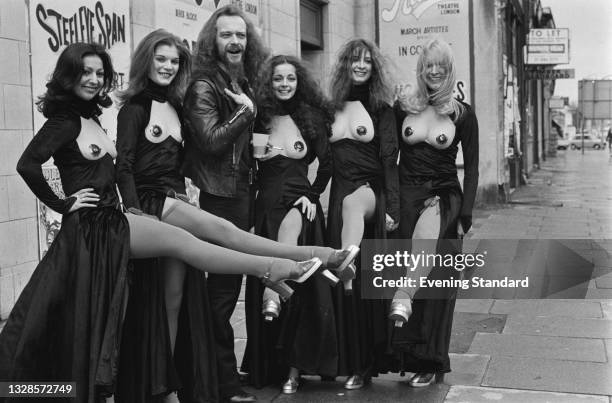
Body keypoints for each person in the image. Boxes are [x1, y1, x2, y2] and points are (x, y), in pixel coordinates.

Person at [0, 42, 323, 403]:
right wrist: (63, 203)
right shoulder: (65, 121)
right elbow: (28, 164)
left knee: (102, 319)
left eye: (98, 73)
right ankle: (273, 269)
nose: (93, 80)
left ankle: (283, 266)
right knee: (188, 245)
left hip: (110, 222)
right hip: (97, 225)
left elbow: (127, 169)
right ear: (69, 75)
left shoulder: (90, 118)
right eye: (84, 72)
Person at [114, 31, 355, 402]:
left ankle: (165, 388)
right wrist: (133, 210)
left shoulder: (176, 107)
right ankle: (306, 259)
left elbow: (187, 158)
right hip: (150, 205)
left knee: (174, 300)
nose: (167, 66)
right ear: (145, 61)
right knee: (224, 235)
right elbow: (124, 166)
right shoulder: (134, 109)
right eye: (160, 59)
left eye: (175, 61)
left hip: (173, 199)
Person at [239, 55, 340, 394]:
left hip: (300, 208)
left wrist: (312, 196)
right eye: (278, 78)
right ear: (269, 82)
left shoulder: (309, 117)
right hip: (265, 207)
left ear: (299, 82)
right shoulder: (259, 119)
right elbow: (245, 171)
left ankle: (295, 370)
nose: (284, 84)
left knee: (303, 293)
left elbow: (327, 164)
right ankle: (267, 366)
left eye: (290, 78)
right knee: (266, 275)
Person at [392, 38, 479, 387]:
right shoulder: (403, 106)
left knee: (434, 281)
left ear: (449, 68)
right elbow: (388, 155)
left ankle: (430, 360)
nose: (433, 70)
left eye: (439, 64)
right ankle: (404, 355)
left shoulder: (462, 113)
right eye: (428, 64)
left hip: (442, 198)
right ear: (421, 68)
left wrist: (464, 216)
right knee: (400, 268)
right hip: (406, 198)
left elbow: (471, 169)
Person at [327, 38, 400, 390]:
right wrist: (309, 197)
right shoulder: (332, 108)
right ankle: (349, 363)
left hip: (369, 193)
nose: (360, 65)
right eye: (354, 59)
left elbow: (389, 162)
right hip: (338, 197)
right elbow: (325, 164)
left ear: (374, 67)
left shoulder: (381, 109)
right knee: (347, 295)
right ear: (344, 64)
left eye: (367, 60)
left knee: (363, 287)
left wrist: (394, 209)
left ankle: (365, 365)